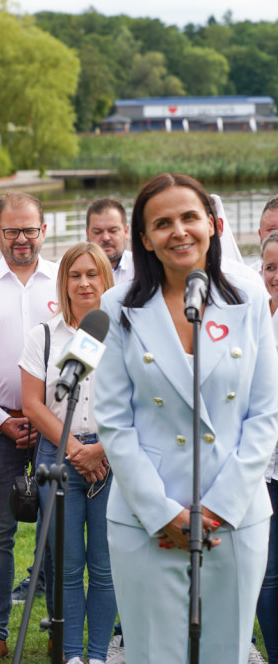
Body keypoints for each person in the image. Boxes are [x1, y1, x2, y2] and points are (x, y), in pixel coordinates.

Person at [94, 173, 278, 663]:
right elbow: (113, 421)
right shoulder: (118, 308)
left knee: (226, 652)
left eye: (189, 217)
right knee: (154, 654)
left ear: (213, 225)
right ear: (145, 238)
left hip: (232, 515)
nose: (179, 231)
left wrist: (219, 507)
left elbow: (265, 413)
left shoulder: (250, 298)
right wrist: (161, 513)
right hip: (145, 519)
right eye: (163, 223)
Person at [0, 191, 59, 664]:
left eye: (30, 229)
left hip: (57, 429)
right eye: (12, 231)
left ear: (44, 230)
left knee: (58, 531)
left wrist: (50, 418)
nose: (22, 239)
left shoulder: (65, 280)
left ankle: (62, 630)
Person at [19, 242, 116, 664]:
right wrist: (76, 449)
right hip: (58, 460)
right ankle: (72, 655)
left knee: (106, 566)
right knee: (68, 566)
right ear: (64, 282)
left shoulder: (125, 333)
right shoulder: (44, 335)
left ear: (105, 279)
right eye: (75, 275)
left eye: (92, 274)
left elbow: (145, 402)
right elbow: (33, 404)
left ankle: (98, 654)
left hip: (113, 462)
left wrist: (103, 451)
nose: (83, 283)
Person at [256, 231, 278, 663]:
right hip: (265, 465)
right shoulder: (255, 318)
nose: (277, 275)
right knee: (268, 573)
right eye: (271, 267)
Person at [85, 199, 133, 285]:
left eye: (113, 231)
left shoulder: (143, 269)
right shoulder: (64, 268)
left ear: (126, 231)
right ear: (87, 233)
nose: (106, 238)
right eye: (97, 232)